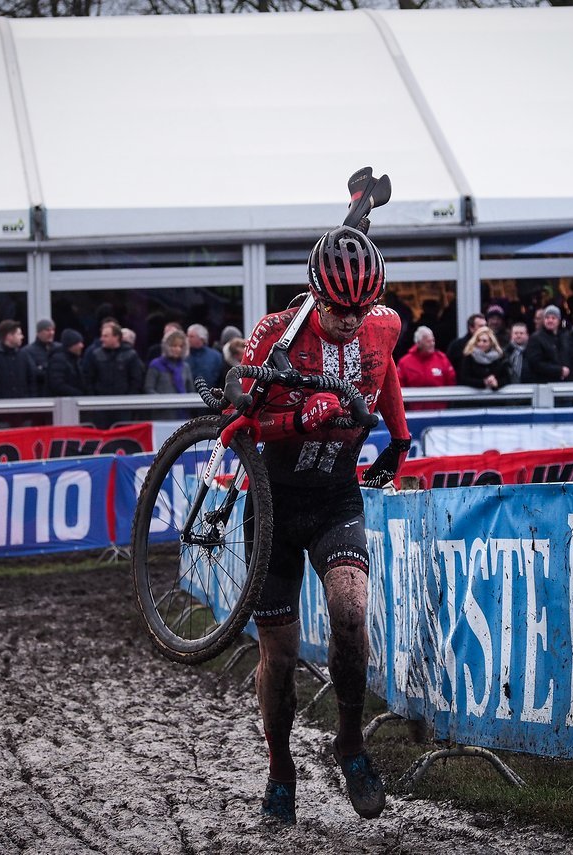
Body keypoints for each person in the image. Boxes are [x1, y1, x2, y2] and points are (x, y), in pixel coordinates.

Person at [238, 226, 410, 826]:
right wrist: (297, 419)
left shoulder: (381, 324)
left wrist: (400, 437)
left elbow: (385, 371)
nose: (349, 319)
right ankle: (280, 770)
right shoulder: (274, 334)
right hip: (275, 502)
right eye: (339, 309)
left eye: (361, 308)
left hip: (335, 495)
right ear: (315, 292)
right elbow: (243, 422)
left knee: (351, 613)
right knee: (279, 657)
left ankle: (351, 744)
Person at [82, 320, 145, 426]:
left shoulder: (131, 355)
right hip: (100, 408)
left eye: (106, 336)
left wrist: (128, 400)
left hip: (123, 407)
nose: (102, 339)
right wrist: (94, 400)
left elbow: (136, 380)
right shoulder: (95, 355)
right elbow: (88, 379)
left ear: (116, 337)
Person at [396, 325, 456, 409]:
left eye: (433, 341)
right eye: (428, 341)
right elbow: (399, 386)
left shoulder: (442, 359)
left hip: (440, 412)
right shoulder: (405, 362)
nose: (432, 344)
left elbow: (451, 383)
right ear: (419, 343)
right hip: (414, 412)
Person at [144, 329, 195, 420]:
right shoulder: (155, 365)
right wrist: (162, 402)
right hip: (162, 415)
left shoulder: (185, 366)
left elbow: (190, 390)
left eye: (180, 346)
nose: (177, 349)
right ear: (167, 346)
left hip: (182, 414)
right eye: (174, 346)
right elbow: (149, 388)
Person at [0, 319, 36, 400]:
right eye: (19, 334)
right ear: (9, 336)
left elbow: (32, 381)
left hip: (23, 407)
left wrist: (29, 400)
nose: (22, 337)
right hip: (0, 408)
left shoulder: (24, 356)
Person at [522, 305, 569, 384]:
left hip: (561, 383)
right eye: (547, 318)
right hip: (543, 384)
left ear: (559, 320)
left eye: (553, 318)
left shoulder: (564, 337)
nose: (550, 320)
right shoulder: (536, 338)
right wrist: (559, 370)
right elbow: (535, 364)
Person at [458, 326, 504, 390]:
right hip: (473, 396)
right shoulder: (469, 356)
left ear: (491, 343)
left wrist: (496, 382)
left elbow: (506, 378)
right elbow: (464, 378)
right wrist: (483, 382)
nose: (480, 344)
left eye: (484, 341)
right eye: (478, 340)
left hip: (495, 397)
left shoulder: (499, 357)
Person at [23, 319, 57, 395]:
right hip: (39, 396)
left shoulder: (59, 349)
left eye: (53, 330)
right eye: (47, 330)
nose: (51, 333)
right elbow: (33, 374)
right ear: (39, 332)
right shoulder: (28, 351)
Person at [48, 329, 86, 396]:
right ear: (71, 345)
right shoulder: (58, 360)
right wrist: (78, 394)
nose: (82, 346)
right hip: (63, 402)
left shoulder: (76, 360)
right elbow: (57, 384)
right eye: (78, 343)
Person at [185, 323, 223, 389]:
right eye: (187, 336)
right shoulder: (184, 355)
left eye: (191, 336)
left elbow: (220, 378)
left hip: (210, 396)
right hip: (187, 397)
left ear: (201, 338)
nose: (187, 339)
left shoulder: (215, 356)